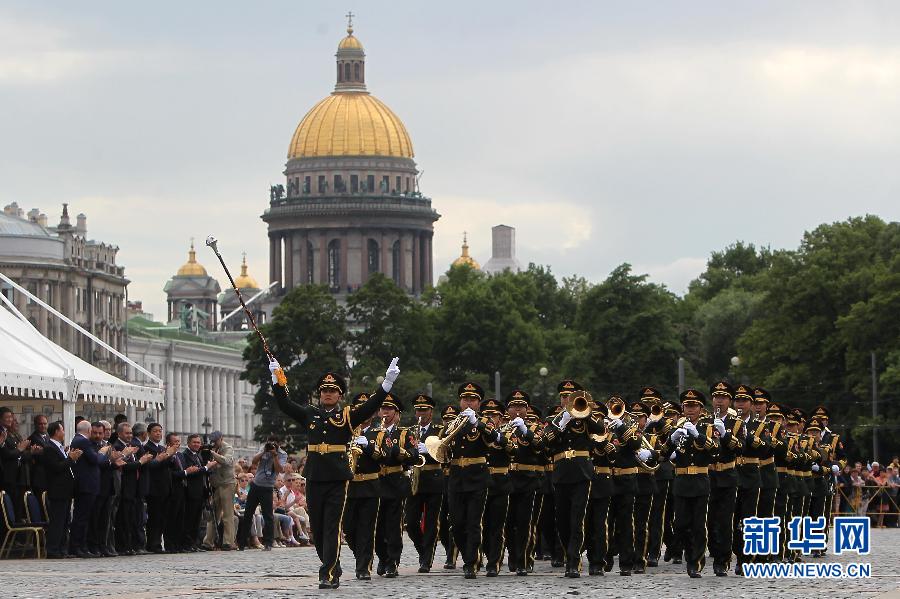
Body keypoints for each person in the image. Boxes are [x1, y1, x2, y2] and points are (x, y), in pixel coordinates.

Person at [272, 357, 398, 589]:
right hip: (315, 477)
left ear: (339, 395)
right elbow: (285, 404)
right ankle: (332, 564)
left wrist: (387, 384)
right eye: (324, 391)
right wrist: (277, 379)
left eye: (332, 391)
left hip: (338, 478)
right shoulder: (309, 414)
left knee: (331, 527)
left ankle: (328, 573)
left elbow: (370, 406)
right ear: (320, 394)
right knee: (318, 531)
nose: (328, 394)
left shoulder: (347, 416)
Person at [542, 382, 606, 578]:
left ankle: (573, 560)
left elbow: (600, 429)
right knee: (561, 520)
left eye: (570, 396)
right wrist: (562, 422)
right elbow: (545, 442)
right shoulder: (553, 420)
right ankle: (570, 552)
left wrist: (586, 413)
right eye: (563, 397)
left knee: (577, 518)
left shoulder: (586, 418)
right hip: (561, 472)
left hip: (581, 473)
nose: (567, 400)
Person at [442, 382, 501, 579]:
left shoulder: (485, 421)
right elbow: (442, 446)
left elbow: (495, 437)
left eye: (473, 399)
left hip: (477, 476)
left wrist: (478, 423)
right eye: (465, 399)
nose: (468, 402)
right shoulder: (452, 423)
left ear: (478, 403)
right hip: (456, 477)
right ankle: (469, 555)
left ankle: (470, 562)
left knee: (474, 522)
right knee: (456, 523)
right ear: (460, 401)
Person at [663, 389, 719, 578]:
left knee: (698, 525)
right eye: (687, 406)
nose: (690, 410)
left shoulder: (708, 427)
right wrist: (671, 440)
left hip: (700, 480)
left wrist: (698, 436)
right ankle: (680, 548)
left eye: (694, 406)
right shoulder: (676, 427)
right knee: (680, 524)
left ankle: (695, 562)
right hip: (681, 481)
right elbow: (663, 454)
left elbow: (715, 451)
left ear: (701, 409)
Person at [374, 393, 418, 578]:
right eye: (383, 408)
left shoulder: (405, 433)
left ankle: (392, 561)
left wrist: (398, 450)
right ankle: (382, 557)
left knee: (393, 525)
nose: (386, 411)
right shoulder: (373, 432)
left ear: (397, 413)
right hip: (376, 482)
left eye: (390, 408)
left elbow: (414, 455)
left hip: (395, 482)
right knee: (377, 526)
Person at [344, 392, 385, 580]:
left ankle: (363, 567)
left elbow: (384, 455)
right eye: (360, 407)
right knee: (349, 529)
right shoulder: (346, 430)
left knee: (366, 529)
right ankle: (360, 555)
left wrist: (368, 445)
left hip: (369, 485)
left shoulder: (379, 432)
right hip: (350, 487)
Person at [504, 389, 545, 576]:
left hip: (528, 480)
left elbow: (540, 446)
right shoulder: (502, 428)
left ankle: (524, 560)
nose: (517, 410)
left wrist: (525, 430)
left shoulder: (535, 428)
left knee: (525, 523)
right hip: (507, 480)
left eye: (521, 406)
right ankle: (513, 556)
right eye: (514, 406)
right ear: (508, 409)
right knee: (508, 523)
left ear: (527, 409)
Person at [404, 393, 445, 573]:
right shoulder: (410, 431)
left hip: (434, 477)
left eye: (424, 410)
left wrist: (428, 450)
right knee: (411, 522)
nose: (421, 413)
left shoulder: (440, 430)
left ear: (431, 411)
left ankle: (427, 558)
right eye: (418, 410)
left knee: (430, 521)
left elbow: (444, 453)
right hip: (416, 479)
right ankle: (423, 550)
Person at [732, 384, 763, 574]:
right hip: (731, 474)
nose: (740, 404)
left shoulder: (759, 426)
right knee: (731, 520)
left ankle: (745, 559)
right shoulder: (725, 422)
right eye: (738, 400)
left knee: (748, 518)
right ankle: (733, 552)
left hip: (750, 475)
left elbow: (765, 448)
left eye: (744, 401)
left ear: (751, 404)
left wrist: (747, 434)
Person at [237, 435, 287, 550]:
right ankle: (242, 543)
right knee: (248, 514)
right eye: (270, 442)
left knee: (268, 516)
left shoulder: (282, 454)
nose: (271, 445)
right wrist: (264, 451)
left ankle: (268, 543)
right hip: (256, 485)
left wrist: (274, 456)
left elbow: (280, 470)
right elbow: (254, 462)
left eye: (274, 443)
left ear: (279, 444)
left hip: (268, 488)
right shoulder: (263, 448)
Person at [69, 421, 111, 558]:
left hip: (88, 484)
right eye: (94, 432)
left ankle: (81, 546)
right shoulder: (83, 441)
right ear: (88, 430)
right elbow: (95, 460)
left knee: (84, 518)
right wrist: (102, 453)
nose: (97, 435)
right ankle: (77, 546)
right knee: (82, 518)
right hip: (86, 484)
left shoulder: (79, 440)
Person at [43, 421, 81, 558]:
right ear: (56, 432)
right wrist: (70, 458)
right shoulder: (49, 448)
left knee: (65, 521)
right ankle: (53, 549)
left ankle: (62, 548)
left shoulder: (59, 447)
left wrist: (69, 457)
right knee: (57, 522)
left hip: (66, 490)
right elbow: (57, 467)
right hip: (57, 490)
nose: (64, 432)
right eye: (62, 430)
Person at [143, 423, 176, 553]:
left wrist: (171, 456)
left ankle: (158, 542)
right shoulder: (147, 448)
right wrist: (165, 456)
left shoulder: (162, 448)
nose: (158, 433)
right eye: (155, 431)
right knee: (154, 517)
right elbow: (152, 466)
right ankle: (153, 543)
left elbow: (169, 465)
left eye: (160, 431)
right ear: (149, 433)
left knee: (162, 517)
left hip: (165, 487)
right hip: (154, 487)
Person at [181, 433, 217, 551]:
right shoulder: (185, 455)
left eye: (198, 442)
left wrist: (208, 469)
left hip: (200, 491)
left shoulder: (198, 455)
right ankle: (187, 543)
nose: (197, 444)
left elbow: (201, 471)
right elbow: (193, 471)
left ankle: (194, 543)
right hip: (191, 491)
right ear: (188, 443)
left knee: (197, 520)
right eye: (194, 442)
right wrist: (206, 467)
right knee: (189, 519)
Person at [202, 431, 237, 550]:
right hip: (216, 484)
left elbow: (227, 461)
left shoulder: (227, 448)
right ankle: (208, 542)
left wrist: (211, 453)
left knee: (227, 514)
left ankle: (228, 542)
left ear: (221, 438)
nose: (214, 443)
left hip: (227, 483)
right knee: (213, 514)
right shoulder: (212, 448)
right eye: (212, 441)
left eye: (216, 441)